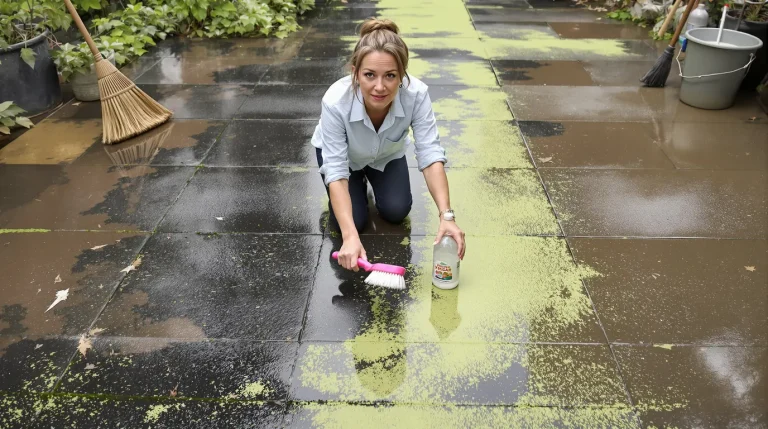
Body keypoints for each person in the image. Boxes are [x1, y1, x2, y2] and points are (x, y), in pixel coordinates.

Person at [311, 17, 466, 272]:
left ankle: (366, 183)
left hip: (385, 155)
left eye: (390, 76)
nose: (379, 87)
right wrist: (350, 237)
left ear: (402, 75)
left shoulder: (416, 94)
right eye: (369, 75)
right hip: (345, 161)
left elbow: (430, 153)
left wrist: (446, 215)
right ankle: (356, 183)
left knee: (397, 211)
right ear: (355, 72)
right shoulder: (335, 101)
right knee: (353, 223)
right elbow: (336, 170)